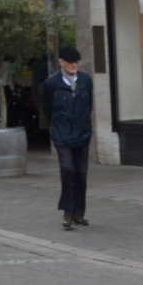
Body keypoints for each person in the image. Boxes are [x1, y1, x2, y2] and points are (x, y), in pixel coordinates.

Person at [39, 46, 94, 230]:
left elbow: (89, 105)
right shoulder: (51, 83)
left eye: (76, 62)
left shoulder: (85, 80)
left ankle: (78, 213)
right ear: (61, 62)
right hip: (62, 134)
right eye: (69, 62)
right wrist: (60, 125)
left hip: (81, 133)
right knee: (67, 169)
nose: (73, 65)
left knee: (80, 174)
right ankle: (67, 212)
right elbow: (47, 109)